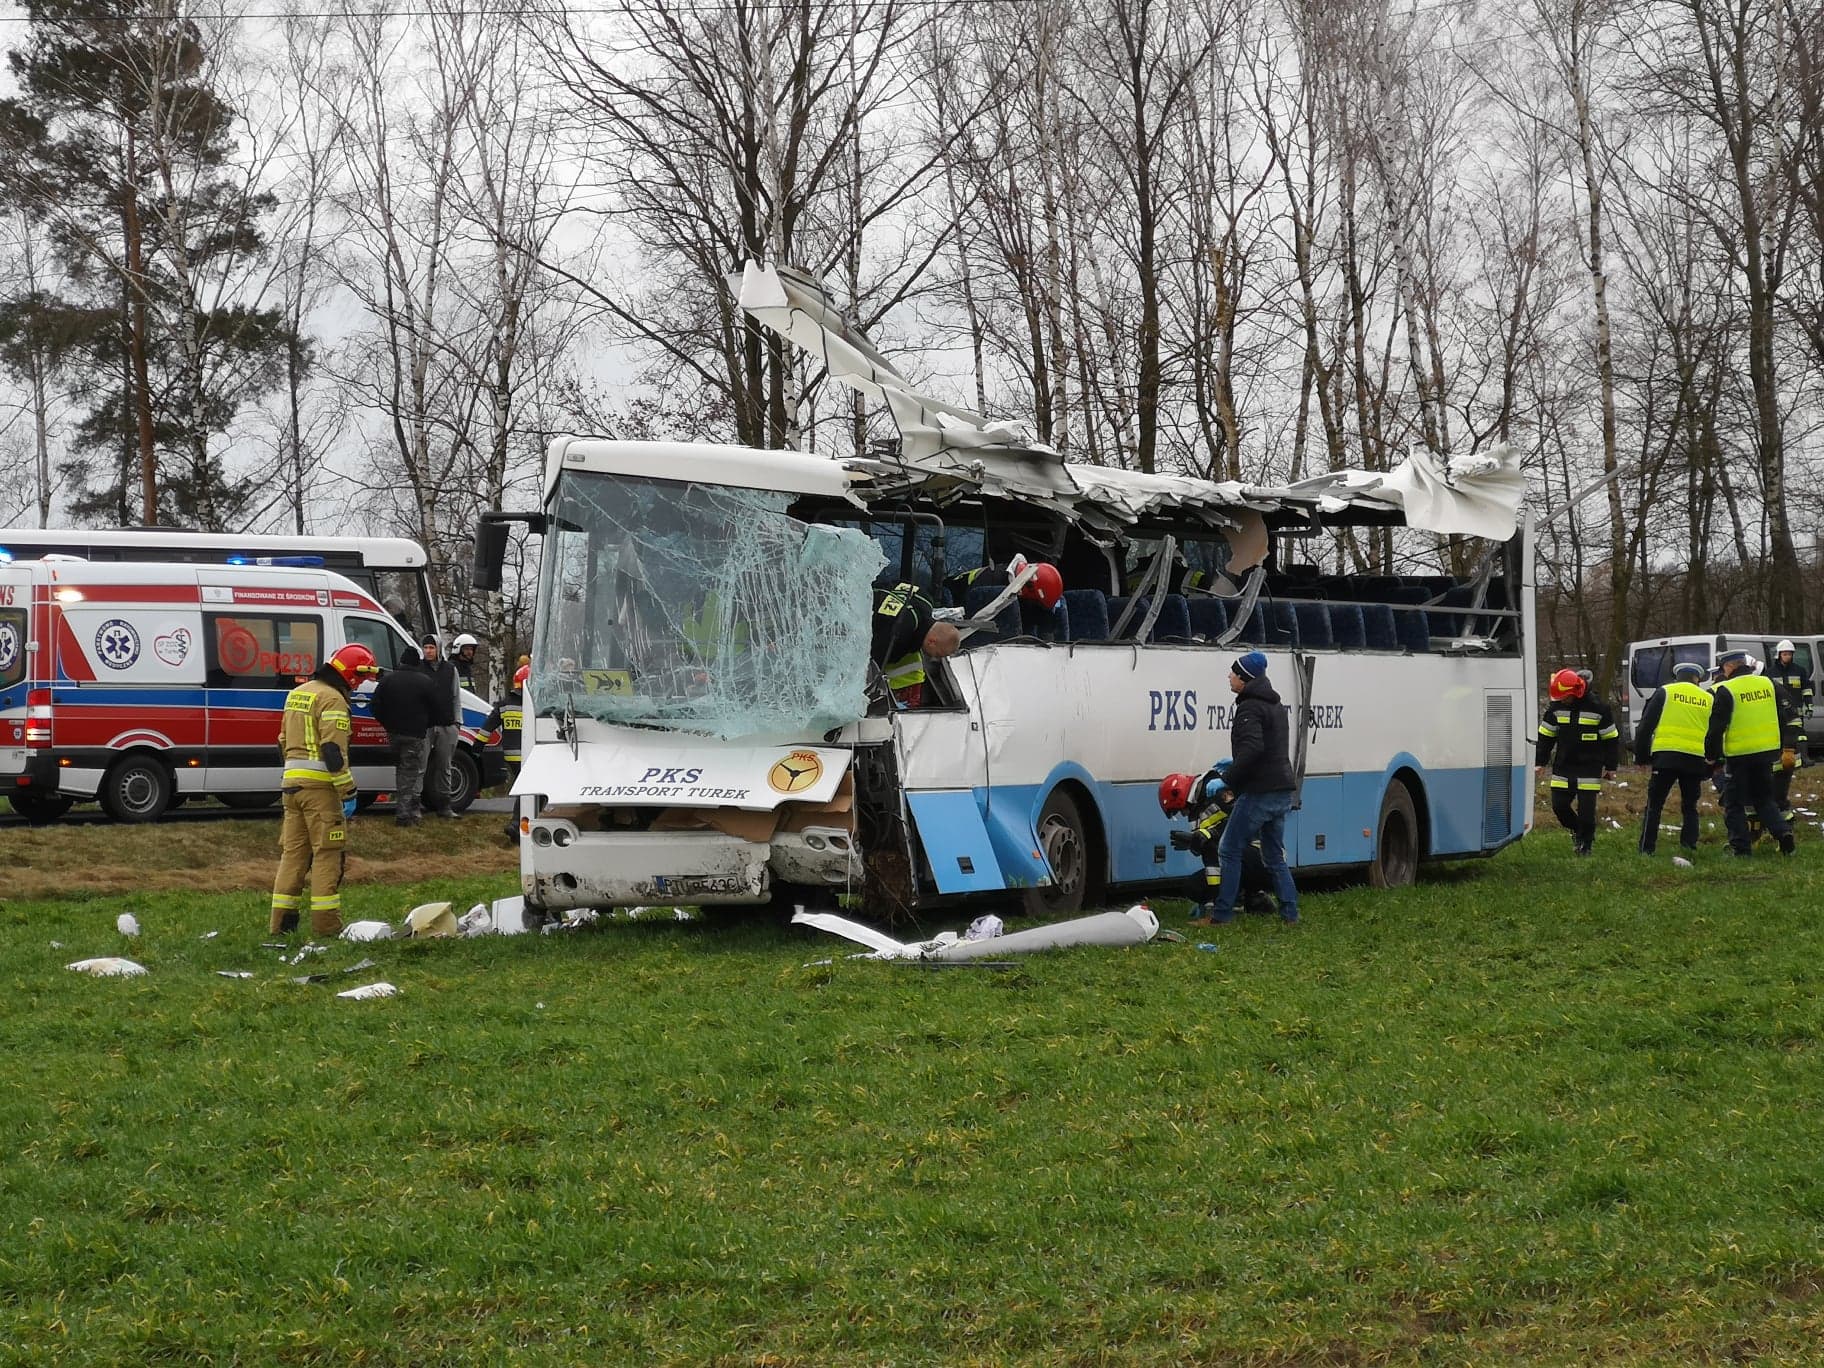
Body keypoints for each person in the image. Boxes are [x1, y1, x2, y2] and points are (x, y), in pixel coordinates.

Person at [268, 643, 378, 936]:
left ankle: (281, 925)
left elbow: (281, 741)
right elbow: (332, 750)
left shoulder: (297, 694)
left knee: (292, 855)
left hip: (291, 787)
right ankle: (326, 928)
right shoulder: (333, 700)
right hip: (320, 790)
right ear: (352, 676)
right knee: (328, 854)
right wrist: (348, 791)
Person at [1201, 651, 1300, 925]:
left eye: (1233, 672)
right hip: (1282, 789)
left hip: (1261, 791)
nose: (1229, 676)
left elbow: (1253, 749)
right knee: (1273, 856)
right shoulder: (1275, 705)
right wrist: (1235, 762)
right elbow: (1267, 748)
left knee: (1229, 848)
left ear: (1245, 678)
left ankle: (1221, 915)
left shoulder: (1249, 707)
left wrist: (1228, 779)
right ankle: (1290, 914)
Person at [1158, 760, 1277, 923]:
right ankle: (1254, 899)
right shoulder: (1196, 809)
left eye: (1179, 810)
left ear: (1179, 796)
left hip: (1260, 856)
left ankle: (1231, 904)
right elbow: (1210, 848)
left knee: (1220, 852)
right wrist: (1195, 842)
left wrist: (1207, 835)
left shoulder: (1215, 789)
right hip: (1242, 859)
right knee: (1193, 887)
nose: (1183, 814)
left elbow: (1241, 819)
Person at [1704, 649, 1794, 857]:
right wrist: (1779, 746)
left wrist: (1711, 756)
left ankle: (1740, 848)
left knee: (1733, 803)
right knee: (1764, 799)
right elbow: (1781, 718)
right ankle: (1783, 833)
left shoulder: (1726, 689)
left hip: (1740, 755)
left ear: (1728, 667)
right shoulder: (1767, 683)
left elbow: (1716, 728)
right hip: (1767, 752)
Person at [1535, 667, 1619, 855]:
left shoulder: (1599, 708)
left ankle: (1585, 845)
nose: (1561, 700)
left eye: (1564, 697)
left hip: (1589, 766)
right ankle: (1577, 831)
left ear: (1576, 692)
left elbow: (1611, 739)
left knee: (1587, 813)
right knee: (1559, 806)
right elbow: (1546, 737)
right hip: (1563, 765)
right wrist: (1539, 762)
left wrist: (1611, 766)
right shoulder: (1556, 708)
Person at [1633, 660, 1711, 856]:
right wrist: (1712, 761)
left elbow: (1645, 727)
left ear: (1677, 676)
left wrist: (1642, 757)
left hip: (1666, 758)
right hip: (1695, 759)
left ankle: (1647, 849)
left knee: (1655, 805)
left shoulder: (1665, 692)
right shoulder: (1708, 698)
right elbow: (1715, 732)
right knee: (1690, 806)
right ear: (1697, 679)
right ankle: (1689, 846)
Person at [369, 646, 439, 827]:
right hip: (415, 735)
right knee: (409, 773)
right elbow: (436, 709)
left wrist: (387, 723)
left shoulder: (387, 681)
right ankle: (403, 815)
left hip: (393, 733)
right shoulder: (425, 682)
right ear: (417, 662)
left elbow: (374, 706)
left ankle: (404, 810)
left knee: (401, 770)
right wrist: (425, 725)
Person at [870, 581, 960, 708]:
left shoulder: (925, 599)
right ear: (932, 642)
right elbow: (869, 666)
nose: (935, 658)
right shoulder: (897, 636)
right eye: (938, 654)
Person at [419, 632, 461, 817]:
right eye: (425, 648)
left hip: (446, 724)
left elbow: (456, 696)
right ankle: (415, 804)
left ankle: (445, 805)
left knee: (445, 766)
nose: (428, 651)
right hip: (425, 725)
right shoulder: (418, 668)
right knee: (420, 766)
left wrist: (457, 722)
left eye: (431, 647)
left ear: (438, 649)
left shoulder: (450, 669)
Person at [497, 662, 529, 781]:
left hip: (510, 755)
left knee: (522, 784)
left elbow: (487, 727)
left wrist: (477, 746)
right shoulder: (536, 706)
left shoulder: (504, 705)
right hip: (529, 754)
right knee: (528, 786)